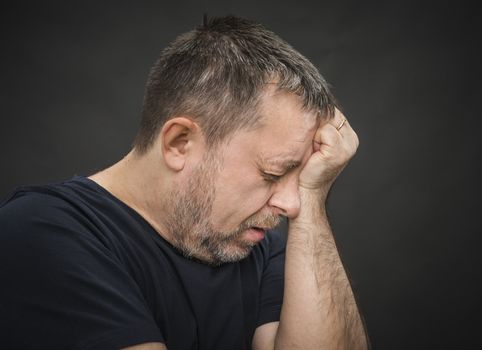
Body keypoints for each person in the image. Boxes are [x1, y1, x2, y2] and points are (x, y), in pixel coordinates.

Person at [0, 15, 368, 349]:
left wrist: (314, 199)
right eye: (272, 174)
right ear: (180, 143)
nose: (290, 205)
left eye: (299, 178)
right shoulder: (40, 233)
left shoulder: (261, 248)